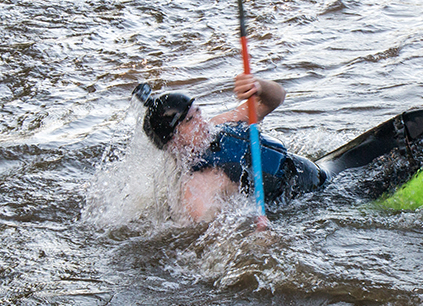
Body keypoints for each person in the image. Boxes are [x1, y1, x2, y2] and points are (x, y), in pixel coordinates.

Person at [132, 74, 326, 223]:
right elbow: (216, 238)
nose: (202, 122)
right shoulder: (197, 188)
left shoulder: (218, 124)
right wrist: (257, 234)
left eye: (198, 112)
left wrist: (259, 86)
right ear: (173, 142)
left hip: (313, 174)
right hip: (310, 202)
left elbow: (277, 97)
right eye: (190, 120)